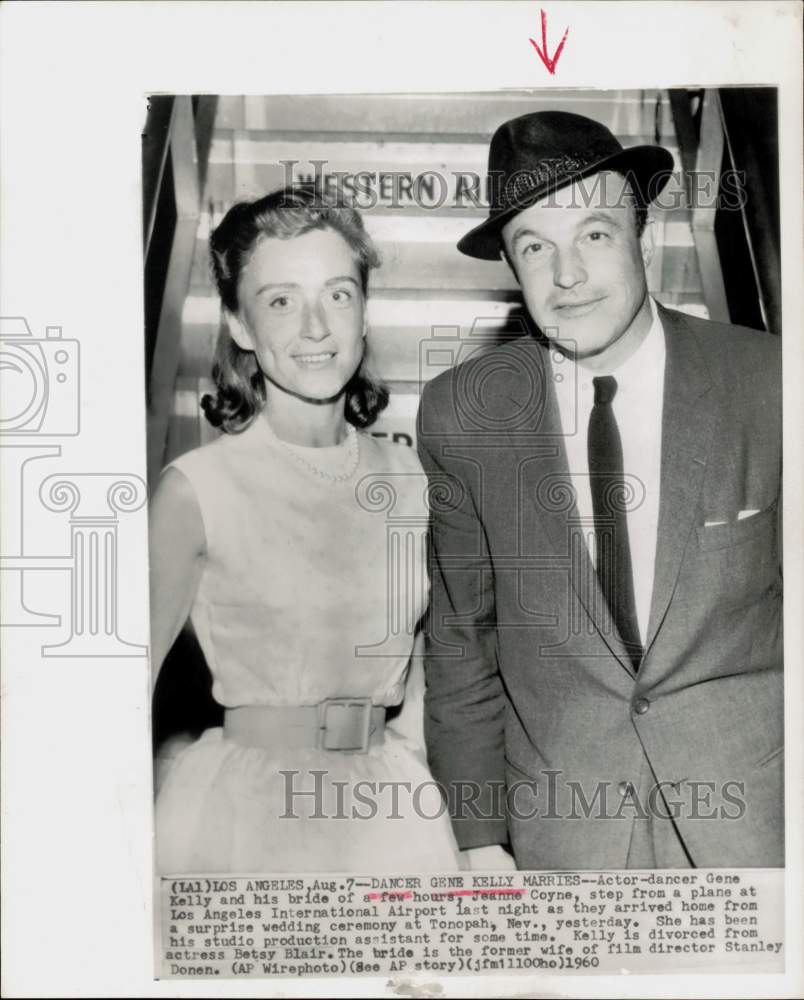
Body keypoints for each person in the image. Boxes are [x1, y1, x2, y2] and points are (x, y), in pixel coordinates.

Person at [418, 111, 783, 870]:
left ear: (643, 238)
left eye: (593, 233)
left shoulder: (771, 383)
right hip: (563, 838)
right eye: (534, 246)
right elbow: (460, 642)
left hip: (758, 831)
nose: (567, 275)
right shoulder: (463, 413)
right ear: (514, 271)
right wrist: (481, 840)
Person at [150, 185, 461, 873]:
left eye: (338, 295)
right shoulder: (197, 491)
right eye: (281, 300)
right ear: (237, 323)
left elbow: (422, 685)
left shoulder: (412, 482)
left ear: (364, 311)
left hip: (389, 811)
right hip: (247, 816)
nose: (316, 328)